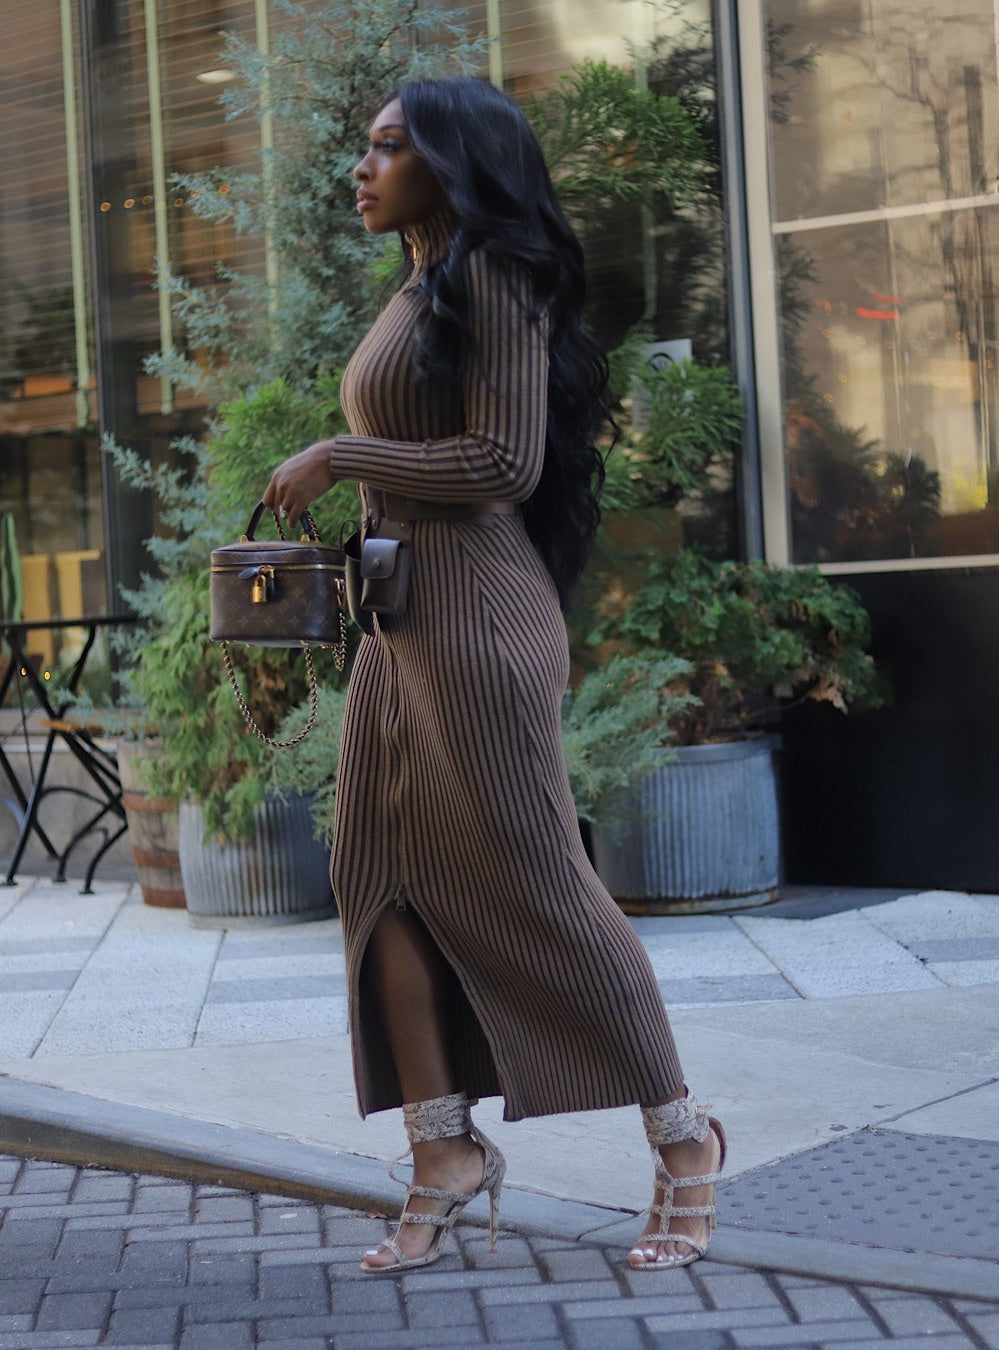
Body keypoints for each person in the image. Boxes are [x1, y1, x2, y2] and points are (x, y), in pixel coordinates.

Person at [262, 76, 726, 1275]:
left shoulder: (496, 278)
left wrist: (339, 454)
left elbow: (501, 464)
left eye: (387, 148)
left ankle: (684, 1139)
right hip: (400, 622)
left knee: (538, 878)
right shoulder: (420, 284)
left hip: (474, 622)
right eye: (366, 148)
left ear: (452, 163)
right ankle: (444, 1150)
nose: (361, 169)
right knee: (377, 876)